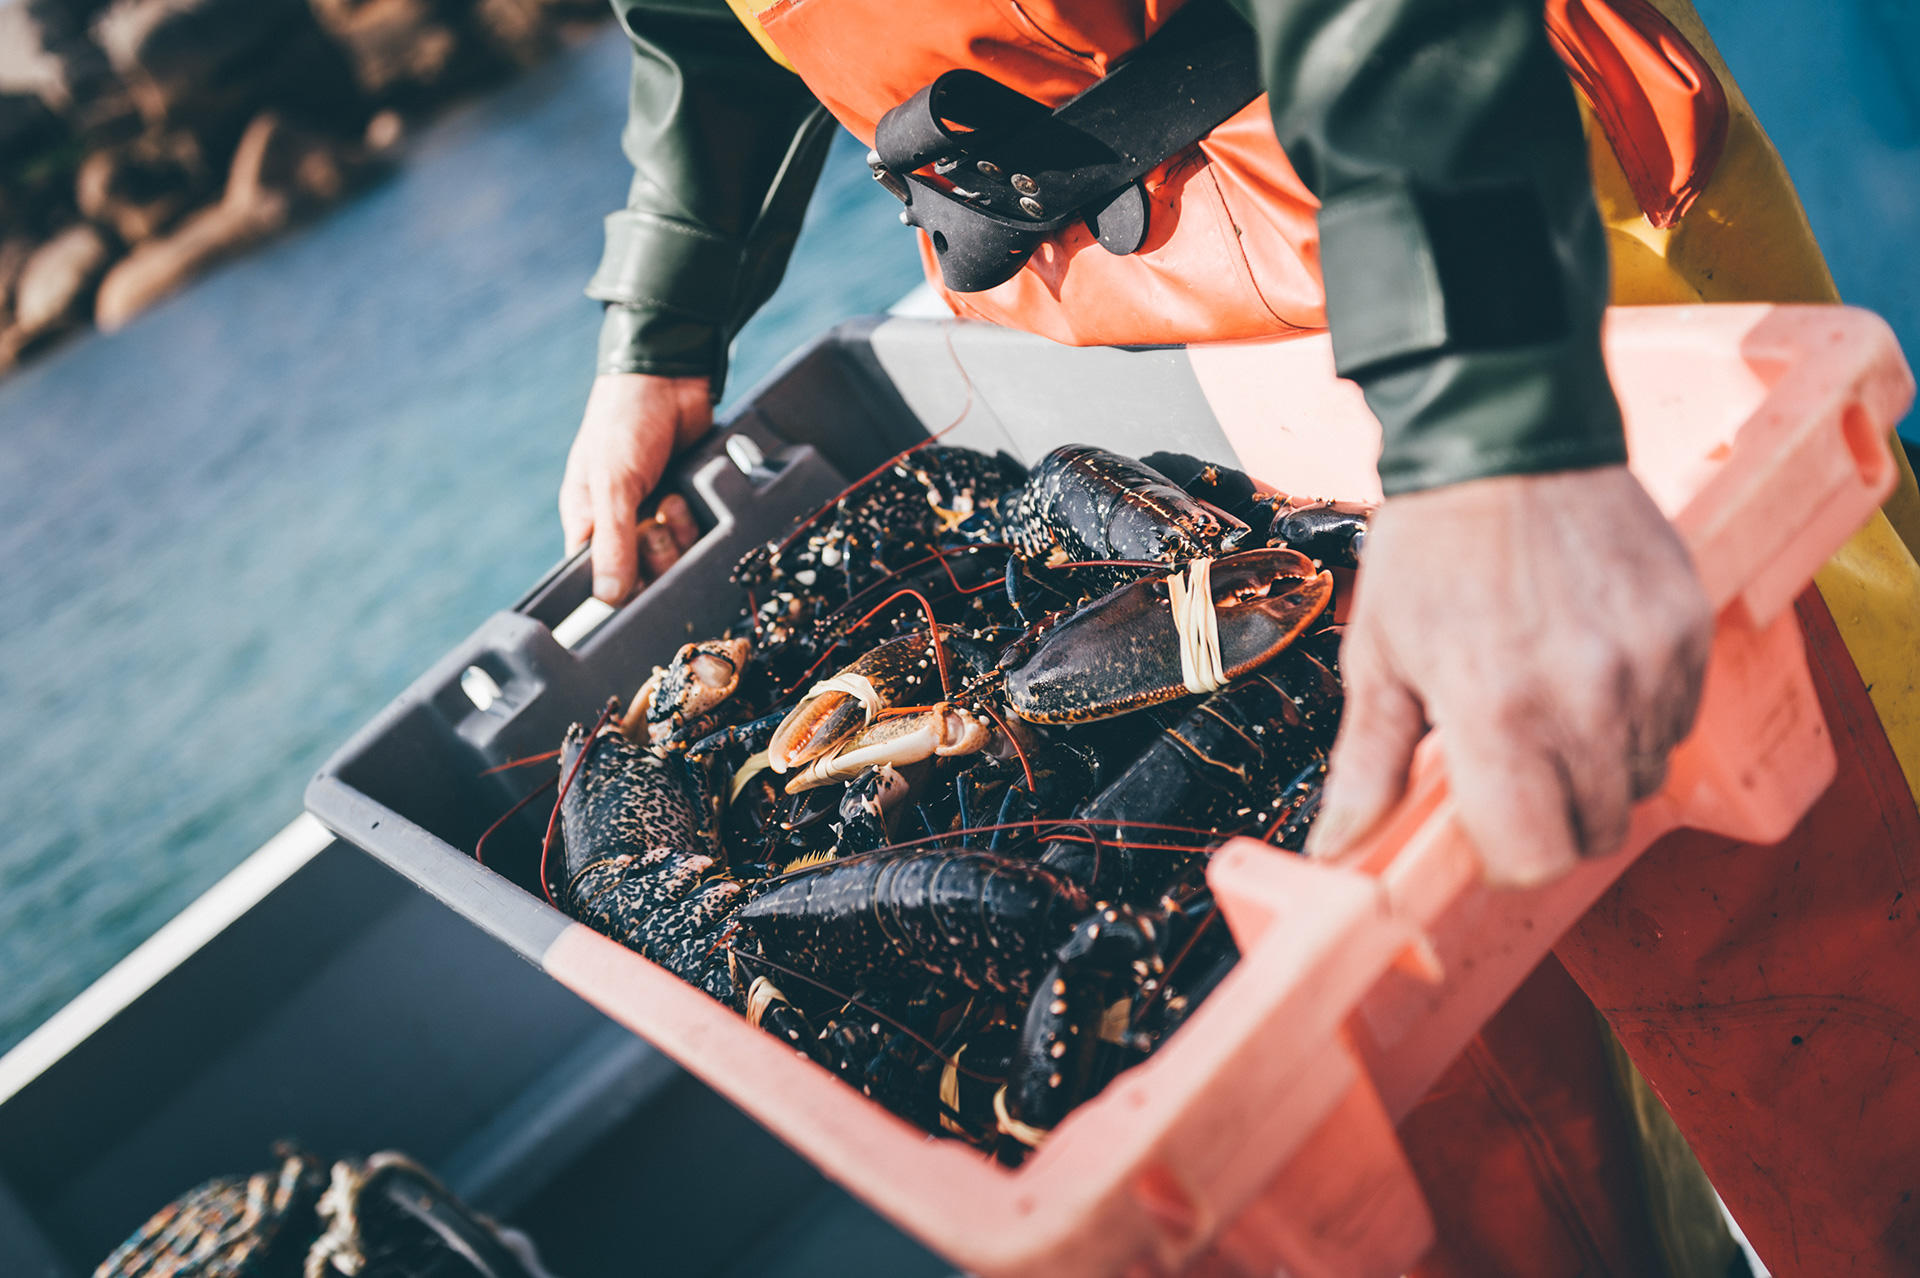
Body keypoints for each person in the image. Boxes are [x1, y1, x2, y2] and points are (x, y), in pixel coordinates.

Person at [558, 1, 1920, 1272]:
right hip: (1137, 338)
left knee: (1835, 1003)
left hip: (1489, 210)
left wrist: (1491, 419)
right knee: (1469, 1098)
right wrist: (667, 309)